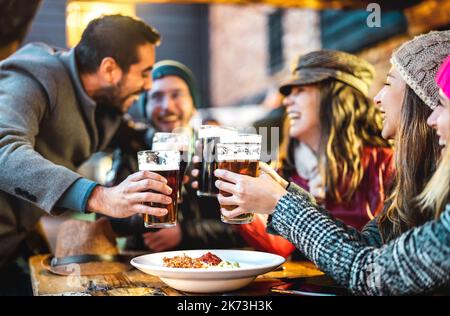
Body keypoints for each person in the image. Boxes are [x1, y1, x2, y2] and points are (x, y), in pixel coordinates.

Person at [215, 31, 450, 295]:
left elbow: (370, 272)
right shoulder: (414, 177)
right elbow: (364, 246)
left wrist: (281, 203)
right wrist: (282, 193)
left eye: (388, 82)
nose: (377, 98)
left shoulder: (388, 166)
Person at [0, 15, 174, 295]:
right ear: (109, 69)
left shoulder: (105, 104)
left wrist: (188, 140)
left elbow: (135, 135)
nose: (148, 86)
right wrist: (100, 196)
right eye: (144, 72)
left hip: (16, 243)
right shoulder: (32, 77)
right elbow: (3, 150)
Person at [235, 50, 395, 258]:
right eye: (288, 93)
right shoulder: (284, 169)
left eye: (300, 90)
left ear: (337, 99)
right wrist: (240, 200)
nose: (286, 101)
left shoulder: (385, 164)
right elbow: (282, 247)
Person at [106, 60, 246, 252]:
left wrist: (187, 232)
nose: (167, 106)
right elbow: (109, 221)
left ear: (193, 103)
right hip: (147, 265)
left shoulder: (214, 148)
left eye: (176, 95)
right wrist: (147, 213)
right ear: (146, 108)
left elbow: (242, 226)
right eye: (156, 97)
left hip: (210, 266)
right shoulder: (131, 149)